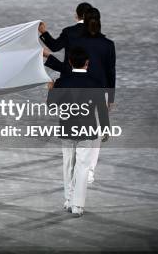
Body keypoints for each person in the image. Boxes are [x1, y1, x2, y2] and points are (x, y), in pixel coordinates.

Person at [44, 7, 116, 183]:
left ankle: (75, 173)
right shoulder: (108, 45)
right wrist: (111, 98)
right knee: (96, 132)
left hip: (73, 89)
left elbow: (67, 68)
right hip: (100, 91)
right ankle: (89, 170)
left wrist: (49, 59)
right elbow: (111, 72)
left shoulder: (76, 41)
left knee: (72, 130)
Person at [47, 47, 109, 217]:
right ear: (87, 64)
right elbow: (102, 110)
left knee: (68, 165)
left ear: (70, 62)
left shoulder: (61, 82)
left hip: (67, 129)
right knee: (82, 167)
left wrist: (50, 90)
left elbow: (51, 107)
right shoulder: (95, 83)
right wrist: (105, 129)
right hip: (87, 130)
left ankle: (68, 200)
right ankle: (77, 205)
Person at [39, 2, 92, 75]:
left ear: (76, 15)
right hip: (93, 80)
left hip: (70, 78)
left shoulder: (69, 32)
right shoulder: (98, 35)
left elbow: (54, 47)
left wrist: (43, 32)